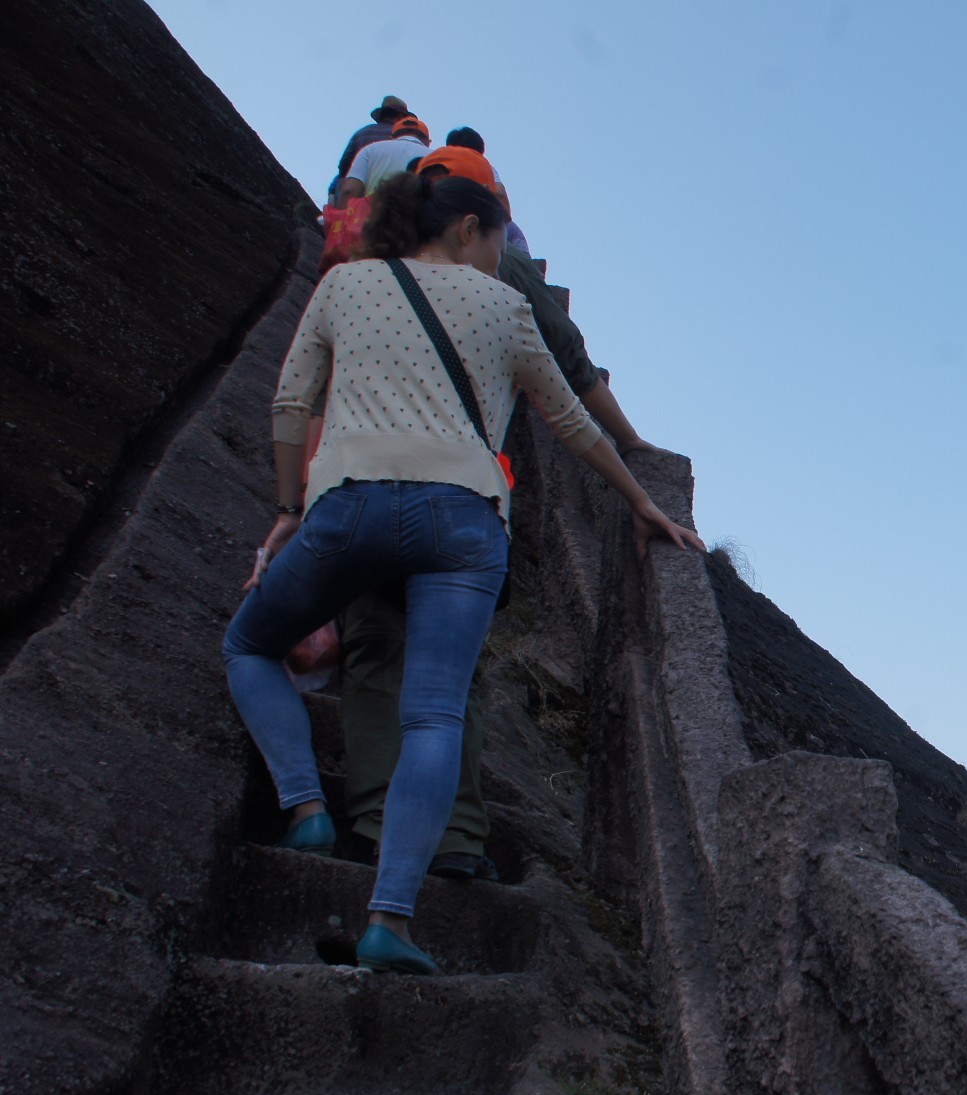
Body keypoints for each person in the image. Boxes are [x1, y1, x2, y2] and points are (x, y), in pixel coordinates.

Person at [227, 172, 703, 974]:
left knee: (249, 644)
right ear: (465, 230)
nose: (495, 258)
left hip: (351, 504)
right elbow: (571, 419)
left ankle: (306, 805)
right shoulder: (504, 307)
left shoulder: (345, 285)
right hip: (463, 519)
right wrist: (638, 501)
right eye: (493, 243)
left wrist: (285, 510)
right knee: (435, 715)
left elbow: (289, 402)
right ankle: (391, 917)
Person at [329, 144, 676, 884]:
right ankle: (451, 841)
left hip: (361, 493)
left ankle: (365, 825)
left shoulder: (358, 274)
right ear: (474, 218)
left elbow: (308, 394)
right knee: (450, 680)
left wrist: (299, 506)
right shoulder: (504, 285)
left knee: (373, 657)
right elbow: (572, 386)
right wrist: (638, 470)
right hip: (460, 507)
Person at [442, 127, 530, 254]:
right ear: (480, 151)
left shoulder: (437, 162)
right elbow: (499, 194)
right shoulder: (483, 165)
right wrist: (505, 222)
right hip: (481, 227)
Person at [328, 95, 409, 205]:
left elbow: (344, 167)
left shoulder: (361, 133)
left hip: (357, 197)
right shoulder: (404, 138)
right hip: (392, 198)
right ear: (400, 117)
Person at [337, 116, 432, 200]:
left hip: (374, 216)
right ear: (428, 142)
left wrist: (341, 218)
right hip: (418, 218)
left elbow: (348, 191)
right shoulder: (434, 156)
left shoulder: (370, 149)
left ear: (391, 137)